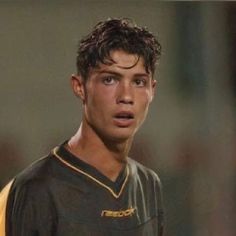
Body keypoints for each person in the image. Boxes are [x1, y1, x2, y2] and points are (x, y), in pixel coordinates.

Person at [0, 18, 164, 236]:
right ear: (80, 87)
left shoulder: (148, 185)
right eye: (109, 80)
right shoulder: (34, 190)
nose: (126, 96)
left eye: (138, 82)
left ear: (152, 90)